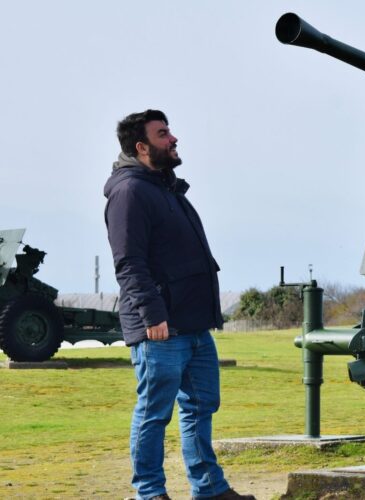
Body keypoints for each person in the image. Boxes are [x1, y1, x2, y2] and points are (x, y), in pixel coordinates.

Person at [104, 109, 254, 500]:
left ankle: (209, 489)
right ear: (142, 146)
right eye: (163, 134)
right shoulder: (129, 192)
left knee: (202, 406)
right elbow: (128, 262)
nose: (173, 139)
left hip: (193, 326)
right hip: (161, 328)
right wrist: (153, 315)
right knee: (155, 413)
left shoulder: (165, 188)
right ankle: (149, 493)